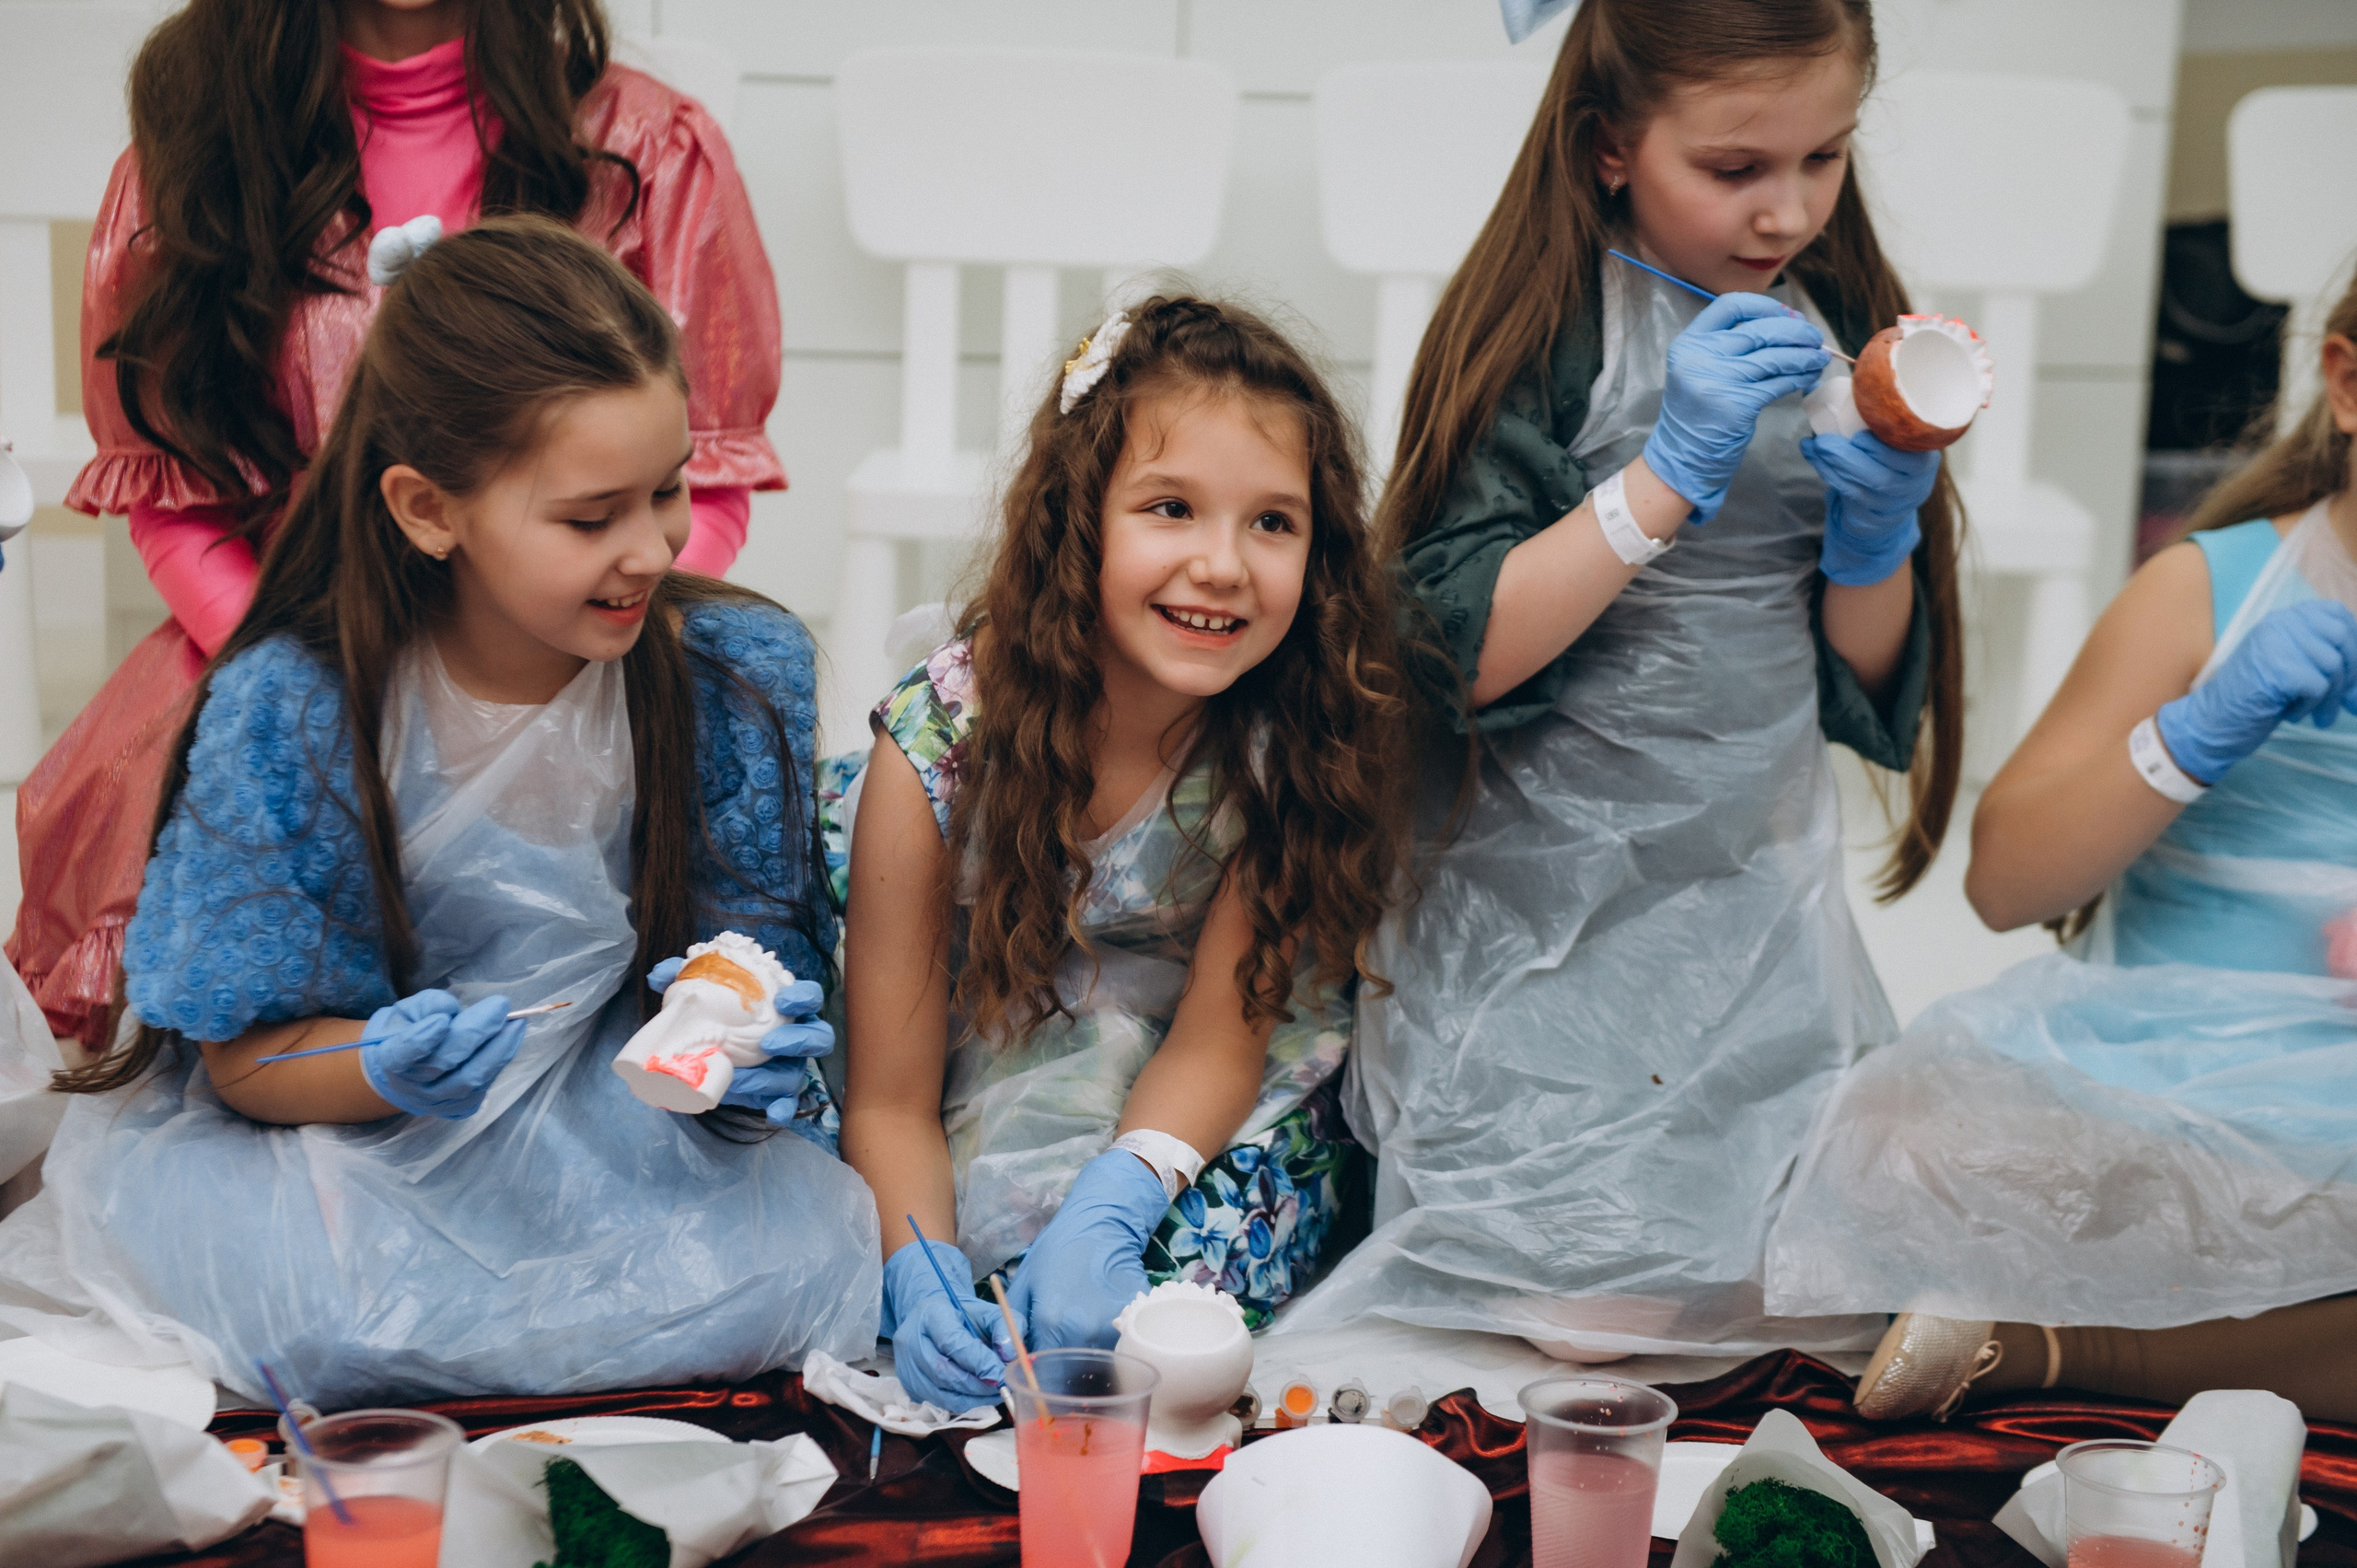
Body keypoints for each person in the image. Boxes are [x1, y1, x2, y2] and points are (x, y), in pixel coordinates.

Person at [0, 218, 873, 1409]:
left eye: (667, 490)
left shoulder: (733, 672)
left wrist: (746, 1049)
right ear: (426, 508)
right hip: (351, 1139)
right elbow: (246, 1060)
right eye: (590, 517)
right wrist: (379, 1064)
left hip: (623, 1131)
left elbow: (751, 960)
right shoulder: (297, 707)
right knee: (317, 1316)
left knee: (799, 1261)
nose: (650, 547)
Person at [1273, 0, 1965, 1361]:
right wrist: (1658, 482)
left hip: (1751, 881)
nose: (1787, 211)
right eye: (1734, 167)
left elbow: (1867, 673)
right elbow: (1455, 652)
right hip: (1544, 889)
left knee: (1810, 1279)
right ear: (1608, 147)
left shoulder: (1839, 323)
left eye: (1824, 158)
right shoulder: (1543, 331)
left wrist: (1876, 539)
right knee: (1581, 1311)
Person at [7, 0, 784, 1051]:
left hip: (577, 640)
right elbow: (172, 496)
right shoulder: (195, 146)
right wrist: (330, 674)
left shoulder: (651, 144)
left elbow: (705, 465)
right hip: (282, 636)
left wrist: (590, 614)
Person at [1772, 275, 2357, 1424]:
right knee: (1896, 1145)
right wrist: (2187, 737)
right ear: (2345, 384)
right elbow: (2004, 883)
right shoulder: (2208, 592)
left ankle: (2055, 1345)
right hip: (2166, 1091)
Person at [830, 297, 1417, 1411]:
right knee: (916, 1245)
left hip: (1199, 1055)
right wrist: (917, 1260)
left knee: (1175, 1296)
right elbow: (891, 1096)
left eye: (1272, 522)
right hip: (993, 1012)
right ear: (1076, 522)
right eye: (1170, 507)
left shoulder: (1290, 738)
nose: (1222, 564)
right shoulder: (940, 740)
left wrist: (1123, 1191)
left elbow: (1217, 1037)